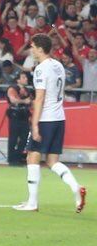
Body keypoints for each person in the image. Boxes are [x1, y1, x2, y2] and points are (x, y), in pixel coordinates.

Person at [14, 35, 86, 213]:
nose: (31, 50)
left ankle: (32, 203)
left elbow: (39, 98)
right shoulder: (58, 65)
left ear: (39, 48)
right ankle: (76, 187)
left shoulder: (41, 69)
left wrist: (36, 125)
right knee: (52, 161)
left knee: (32, 157)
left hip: (46, 118)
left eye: (32, 47)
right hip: (59, 118)